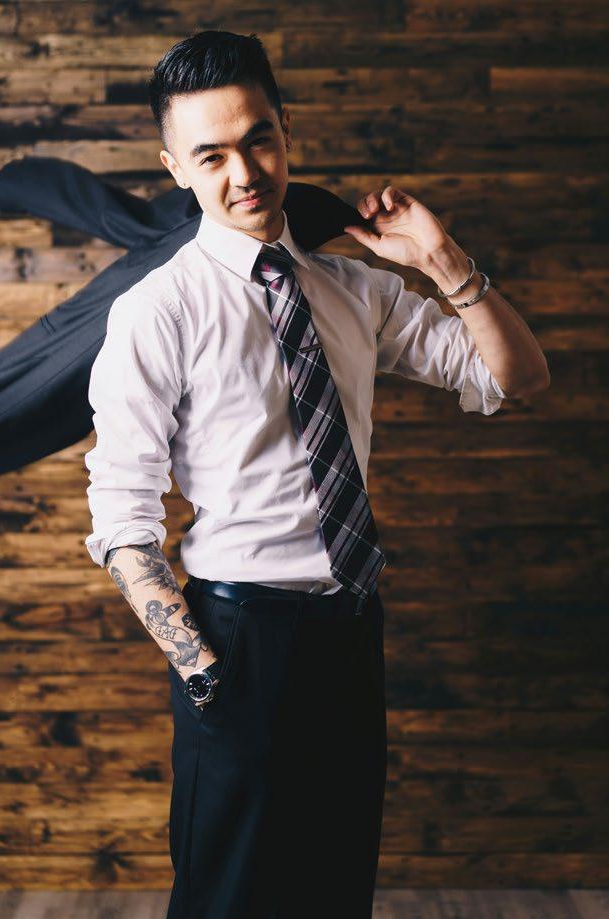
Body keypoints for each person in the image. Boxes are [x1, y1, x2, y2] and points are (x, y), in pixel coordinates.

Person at [83, 31, 550, 918]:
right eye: (211, 156)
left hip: (350, 634)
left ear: (286, 129)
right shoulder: (159, 311)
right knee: (228, 901)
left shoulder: (353, 289)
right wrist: (207, 675)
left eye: (258, 139)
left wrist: (440, 259)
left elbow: (516, 377)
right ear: (175, 168)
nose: (244, 174)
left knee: (335, 895)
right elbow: (122, 516)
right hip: (238, 640)